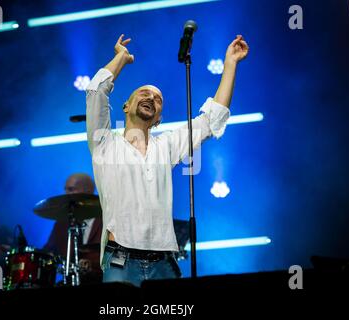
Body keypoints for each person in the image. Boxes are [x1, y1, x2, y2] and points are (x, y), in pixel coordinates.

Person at [86, 33, 249, 286]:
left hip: (165, 263)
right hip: (120, 260)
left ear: (159, 118)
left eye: (158, 99)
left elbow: (211, 120)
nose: (151, 98)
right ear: (126, 106)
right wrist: (121, 58)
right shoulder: (104, 143)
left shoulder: (167, 146)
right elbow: (96, 91)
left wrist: (230, 64)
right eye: (143, 93)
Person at [43, 173, 103, 282]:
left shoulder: (105, 219)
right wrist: (22, 253)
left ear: (88, 190)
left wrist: (92, 264)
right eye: (66, 190)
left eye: (71, 190)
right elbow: (48, 252)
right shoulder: (61, 224)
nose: (66, 195)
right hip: (70, 281)